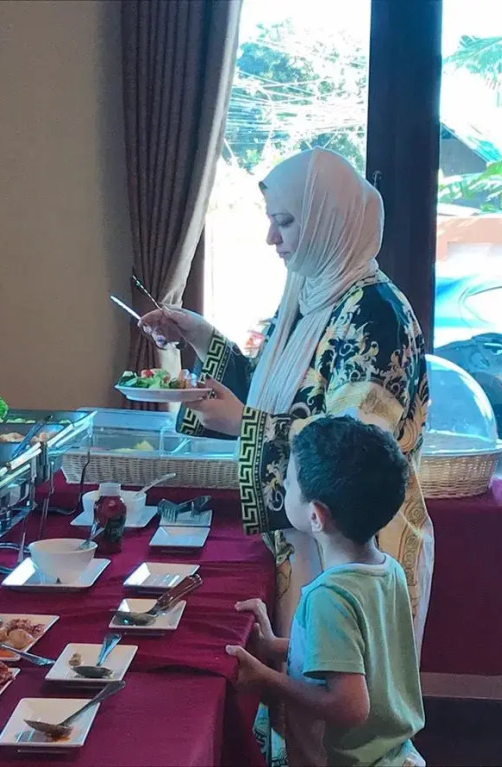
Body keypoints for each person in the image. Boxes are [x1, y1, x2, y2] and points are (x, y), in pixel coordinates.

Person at [138, 148, 433, 638]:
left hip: (356, 548)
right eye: (272, 220)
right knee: (303, 670)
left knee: (343, 677)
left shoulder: (375, 314)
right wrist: (199, 335)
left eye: (286, 222)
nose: (271, 237)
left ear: (328, 222)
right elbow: (272, 390)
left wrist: (244, 424)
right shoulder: (311, 294)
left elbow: (356, 452)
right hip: (305, 536)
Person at [227, 416, 425, 767]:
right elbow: (359, 658)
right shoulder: (387, 570)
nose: (284, 486)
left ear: (316, 516)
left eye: (289, 483)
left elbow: (350, 706)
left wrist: (268, 678)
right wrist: (275, 646)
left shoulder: (328, 597)